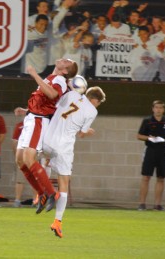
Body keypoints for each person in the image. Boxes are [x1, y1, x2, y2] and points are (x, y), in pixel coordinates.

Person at [15, 58, 78, 214]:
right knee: (20, 160)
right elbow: (49, 102)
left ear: (65, 71)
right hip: (32, 117)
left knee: (29, 158)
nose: (63, 59)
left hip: (39, 121)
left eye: (67, 62)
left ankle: (51, 193)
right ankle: (42, 193)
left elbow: (51, 94)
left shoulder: (60, 79)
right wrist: (27, 110)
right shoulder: (52, 78)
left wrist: (34, 74)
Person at [43, 86, 106, 238]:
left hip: (48, 139)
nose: (97, 105)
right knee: (64, 182)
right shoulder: (92, 110)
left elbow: (55, 109)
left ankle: (44, 192)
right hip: (64, 146)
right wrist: (88, 131)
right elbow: (82, 134)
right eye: (98, 103)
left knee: (45, 161)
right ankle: (57, 222)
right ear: (94, 100)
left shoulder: (71, 94)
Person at [137, 100, 165, 211]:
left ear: (163, 109)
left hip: (162, 152)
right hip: (150, 150)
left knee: (161, 178)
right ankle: (142, 204)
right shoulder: (147, 121)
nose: (158, 110)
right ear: (153, 109)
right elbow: (139, 135)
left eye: (161, 108)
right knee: (146, 177)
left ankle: (157, 205)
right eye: (156, 107)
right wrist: (149, 138)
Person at [11, 119, 38, 208]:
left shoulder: (38, 125)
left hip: (33, 156)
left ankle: (35, 200)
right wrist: (17, 155)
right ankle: (17, 200)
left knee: (35, 179)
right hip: (22, 156)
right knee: (20, 179)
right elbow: (14, 141)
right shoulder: (20, 125)